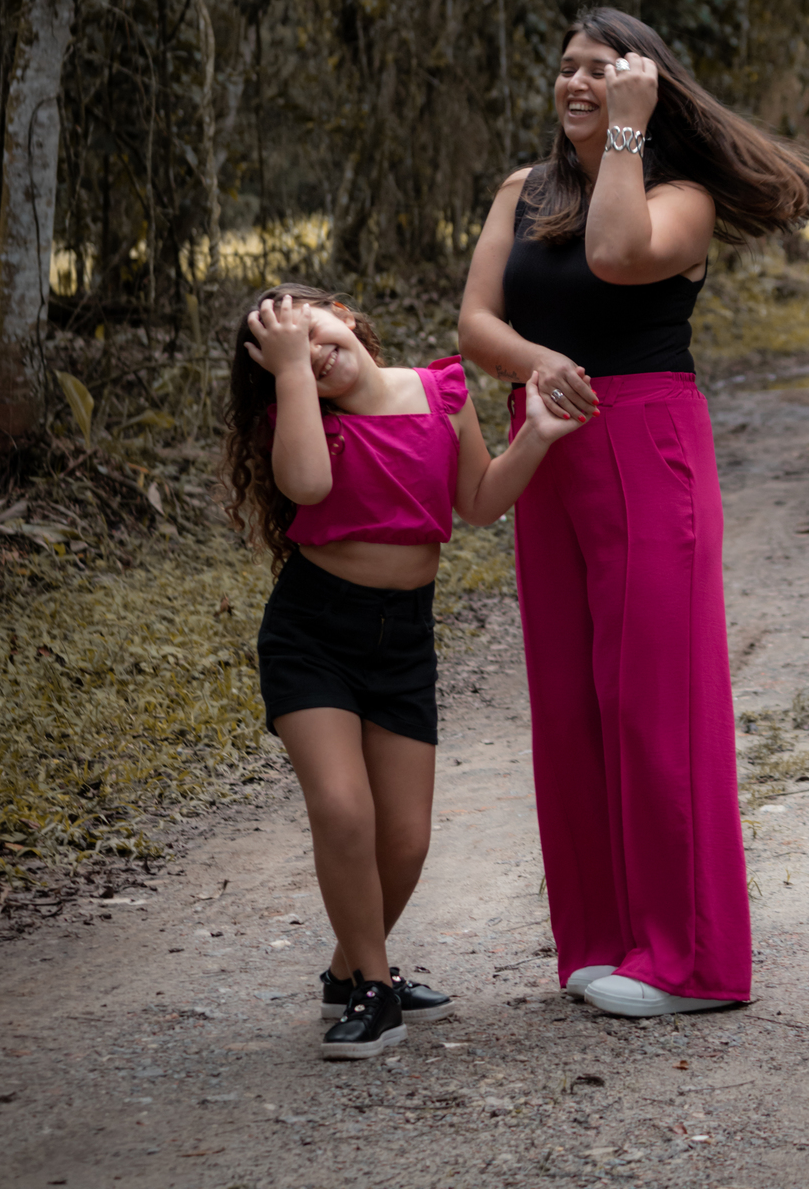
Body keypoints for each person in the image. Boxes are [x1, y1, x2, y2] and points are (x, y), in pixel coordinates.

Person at [459, 7, 809, 1017]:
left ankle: (693, 962)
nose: (577, 83)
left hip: (647, 441)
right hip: (548, 439)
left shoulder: (681, 200)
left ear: (646, 87)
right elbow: (477, 322)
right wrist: (540, 363)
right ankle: (601, 939)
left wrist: (626, 130)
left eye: (603, 71)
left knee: (653, 700)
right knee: (570, 701)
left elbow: (618, 255)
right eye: (567, 69)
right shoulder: (522, 191)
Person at [223, 285, 576, 1058]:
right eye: (289, 354)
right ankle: (376, 990)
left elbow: (477, 501)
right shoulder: (303, 417)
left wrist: (538, 435)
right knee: (344, 811)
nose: (313, 356)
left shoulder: (441, 392)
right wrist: (292, 373)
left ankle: (347, 972)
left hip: (403, 641)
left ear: (345, 315)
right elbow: (307, 486)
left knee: (407, 841)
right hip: (313, 634)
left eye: (313, 332)